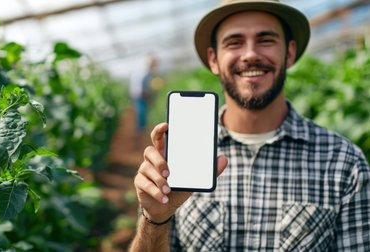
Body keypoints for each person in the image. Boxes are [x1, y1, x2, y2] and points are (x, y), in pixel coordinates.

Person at [129, 0, 370, 251]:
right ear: (213, 59)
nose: (251, 54)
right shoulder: (176, 157)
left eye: (266, 40)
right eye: (234, 42)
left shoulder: (344, 163)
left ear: (289, 53)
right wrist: (155, 220)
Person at [129, 55, 158, 134]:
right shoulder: (144, 71)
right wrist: (147, 94)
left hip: (139, 93)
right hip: (139, 93)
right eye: (154, 63)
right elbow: (141, 85)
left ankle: (142, 128)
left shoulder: (147, 71)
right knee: (141, 110)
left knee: (142, 110)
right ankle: (140, 129)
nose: (155, 65)